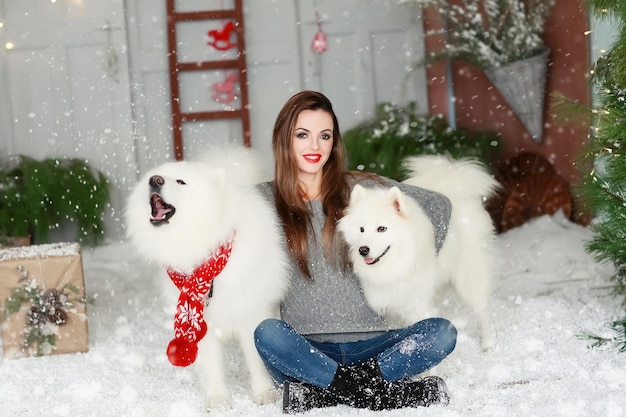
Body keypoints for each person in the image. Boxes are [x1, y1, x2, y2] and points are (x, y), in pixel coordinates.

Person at [254, 90, 457, 413]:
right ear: (284, 140)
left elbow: (438, 207)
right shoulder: (263, 200)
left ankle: (328, 394)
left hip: (376, 349)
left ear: (334, 143)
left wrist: (410, 262)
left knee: (442, 333)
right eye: (303, 135)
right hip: (306, 351)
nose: (315, 146)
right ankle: (381, 393)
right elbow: (214, 225)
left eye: (325, 136)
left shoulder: (362, 190)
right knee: (267, 334)